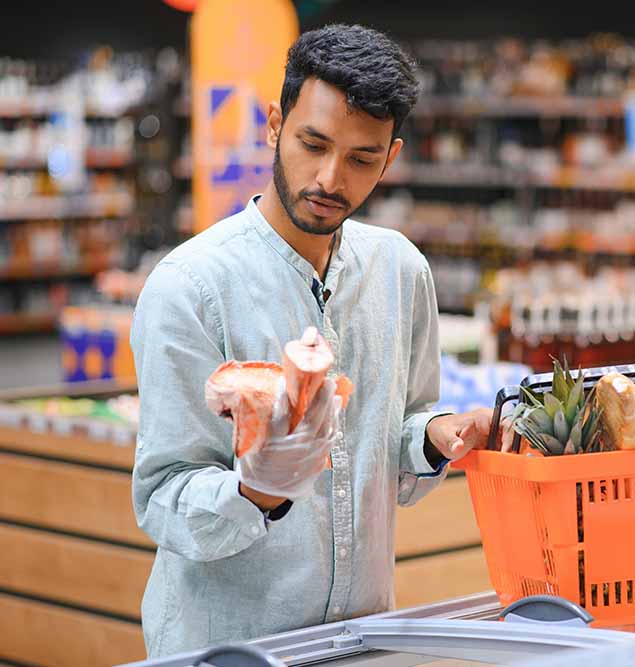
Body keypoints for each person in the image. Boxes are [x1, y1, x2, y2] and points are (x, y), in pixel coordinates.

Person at [130, 23, 492, 657]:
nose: (330, 178)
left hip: (360, 641)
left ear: (392, 157)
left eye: (361, 158)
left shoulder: (402, 271)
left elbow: (399, 446)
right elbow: (162, 499)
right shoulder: (189, 286)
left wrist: (434, 438)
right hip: (228, 648)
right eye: (312, 143)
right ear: (274, 125)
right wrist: (255, 491)